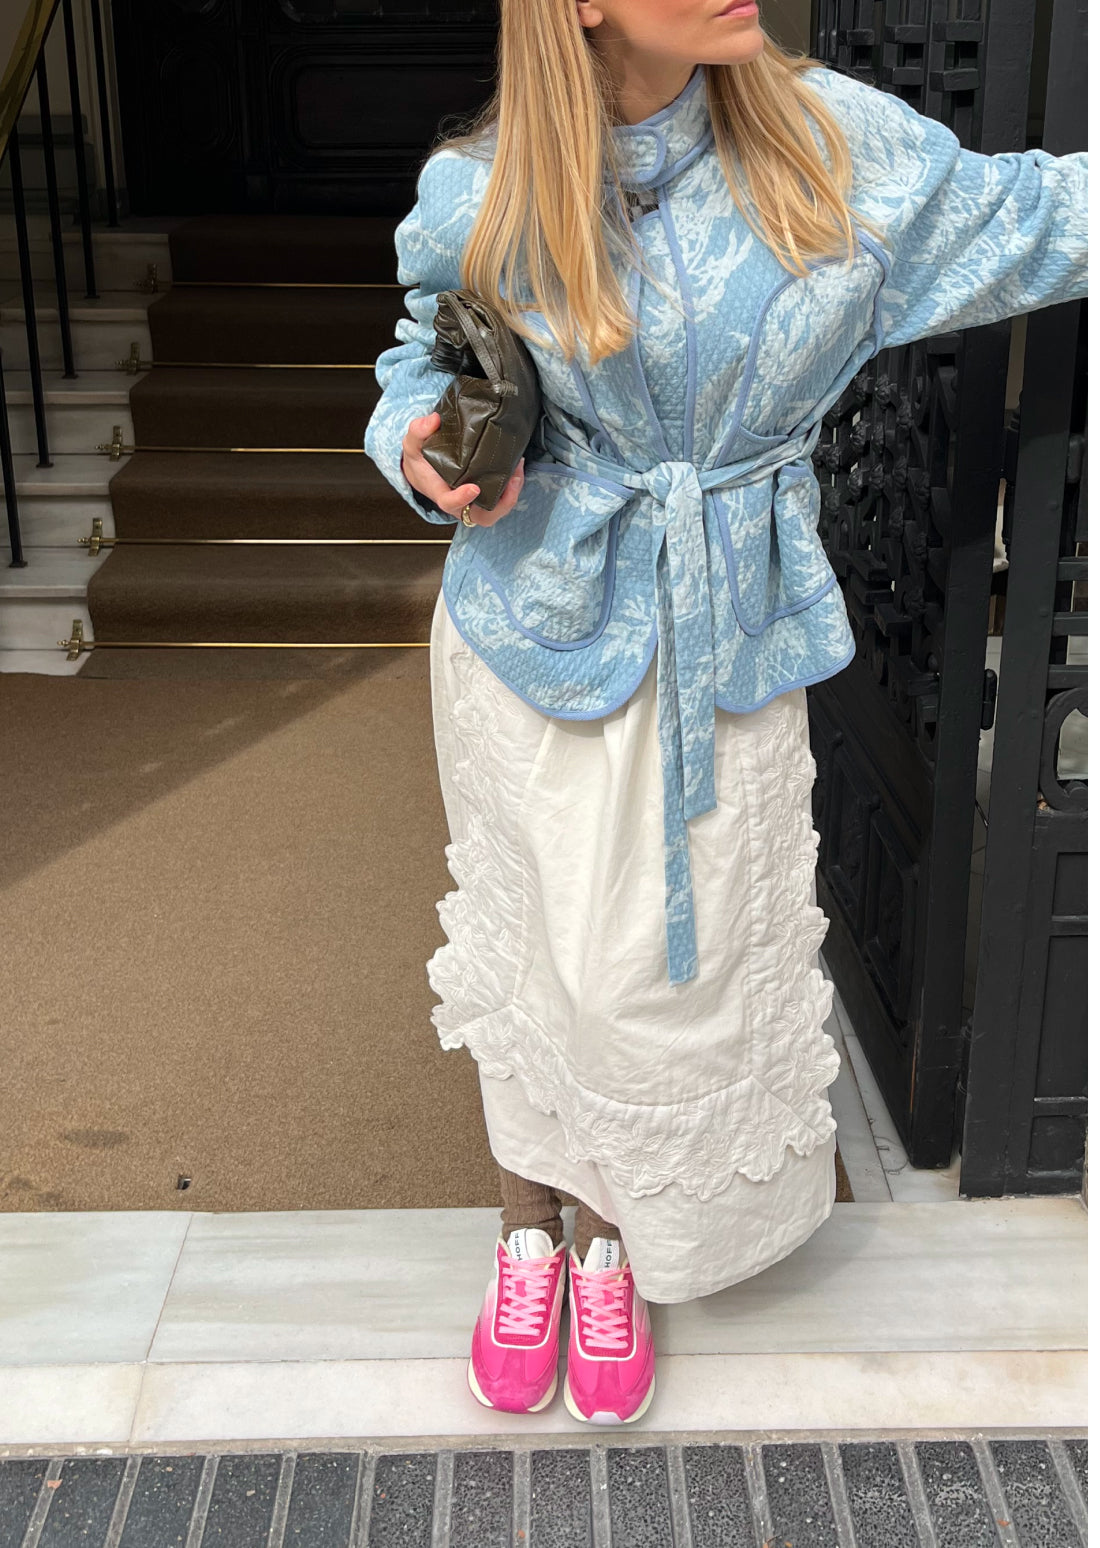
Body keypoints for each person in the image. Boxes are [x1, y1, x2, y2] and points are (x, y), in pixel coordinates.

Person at [364, 0, 1088, 1425]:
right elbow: (417, 358)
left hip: (730, 632)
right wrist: (419, 443)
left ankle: (614, 1239)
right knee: (542, 957)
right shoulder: (483, 186)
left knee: (654, 983)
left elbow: (1035, 215)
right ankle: (527, 1232)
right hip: (533, 626)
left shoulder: (830, 145)